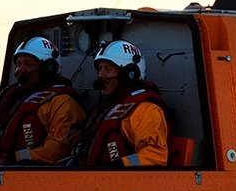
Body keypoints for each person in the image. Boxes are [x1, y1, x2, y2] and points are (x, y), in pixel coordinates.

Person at [0, 37, 85, 166]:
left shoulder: (62, 102)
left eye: (28, 64)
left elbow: (56, 150)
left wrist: (13, 159)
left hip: (29, 174)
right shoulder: (11, 97)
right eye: (18, 64)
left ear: (49, 68)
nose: (20, 70)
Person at [72, 40, 170, 168]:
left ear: (129, 74)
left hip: (124, 184)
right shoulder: (106, 107)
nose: (101, 75)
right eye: (100, 69)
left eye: (108, 69)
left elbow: (156, 155)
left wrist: (122, 165)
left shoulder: (146, 110)